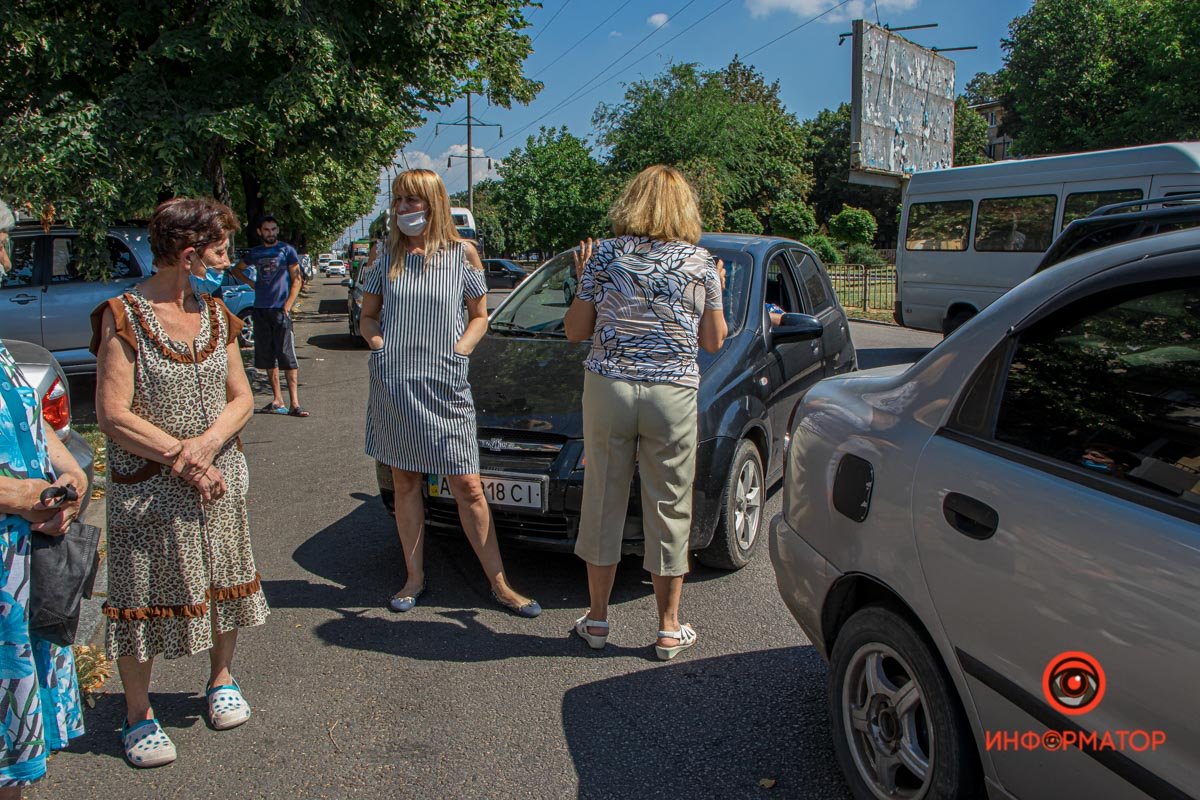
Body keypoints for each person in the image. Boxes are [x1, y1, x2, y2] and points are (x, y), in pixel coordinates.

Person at [91, 197, 270, 768]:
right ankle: (138, 713)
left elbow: (241, 397)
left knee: (225, 577)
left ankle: (221, 679)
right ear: (189, 254)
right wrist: (182, 456)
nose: (227, 259)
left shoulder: (218, 314)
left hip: (218, 480)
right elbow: (113, 415)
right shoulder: (123, 315)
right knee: (139, 594)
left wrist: (208, 446)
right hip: (149, 489)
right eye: (219, 250)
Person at [359, 169, 539, 618]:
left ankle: (500, 585)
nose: (403, 209)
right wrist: (380, 347)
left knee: (468, 486)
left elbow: (480, 316)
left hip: (446, 384)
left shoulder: (463, 255)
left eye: (412, 201)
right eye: (398, 200)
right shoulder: (386, 259)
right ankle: (414, 578)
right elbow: (367, 318)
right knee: (405, 482)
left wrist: (459, 351)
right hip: (396, 385)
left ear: (434, 203)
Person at [564, 164, 727, 661]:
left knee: (603, 498)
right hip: (672, 394)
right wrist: (717, 288)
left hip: (610, 388)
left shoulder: (604, 257)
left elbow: (575, 331)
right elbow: (714, 341)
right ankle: (668, 629)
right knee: (670, 505)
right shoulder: (700, 263)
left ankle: (596, 621)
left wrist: (583, 280)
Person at [0, 213, 86, 796]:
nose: (6, 257)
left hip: (23, 567)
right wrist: (16, 494)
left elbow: (27, 421)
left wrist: (71, 475)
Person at [230, 215, 309, 417]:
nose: (271, 233)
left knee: (287, 356)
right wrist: (252, 285)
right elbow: (238, 270)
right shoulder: (255, 253)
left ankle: (295, 403)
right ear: (259, 231)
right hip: (261, 310)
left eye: (274, 229)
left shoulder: (286, 251)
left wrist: (287, 306)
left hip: (280, 310)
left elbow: (297, 280)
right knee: (267, 357)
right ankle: (277, 399)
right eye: (267, 230)